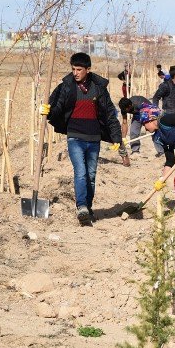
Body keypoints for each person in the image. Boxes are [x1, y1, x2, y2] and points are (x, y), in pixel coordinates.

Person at [46, 52, 128, 225]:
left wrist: (116, 139)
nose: (75, 73)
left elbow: (109, 115)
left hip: (94, 139)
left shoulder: (98, 89)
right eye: (73, 69)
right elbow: (58, 106)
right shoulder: (67, 87)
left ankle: (87, 208)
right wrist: (48, 112)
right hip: (75, 137)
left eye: (79, 69)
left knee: (91, 175)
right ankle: (81, 206)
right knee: (81, 172)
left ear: (88, 70)